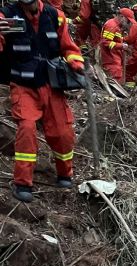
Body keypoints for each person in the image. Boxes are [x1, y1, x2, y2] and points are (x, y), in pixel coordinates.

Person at [0, 0, 85, 202]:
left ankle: (65, 173)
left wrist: (76, 63)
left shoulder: (55, 16)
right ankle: (22, 183)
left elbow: (69, 46)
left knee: (62, 131)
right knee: (27, 129)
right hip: (23, 84)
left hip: (51, 84)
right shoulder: (5, 16)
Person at [100, 8, 134, 82]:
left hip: (115, 61)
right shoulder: (111, 25)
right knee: (115, 84)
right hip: (111, 61)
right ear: (122, 17)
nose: (128, 24)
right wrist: (122, 46)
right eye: (128, 21)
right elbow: (105, 42)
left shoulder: (118, 27)